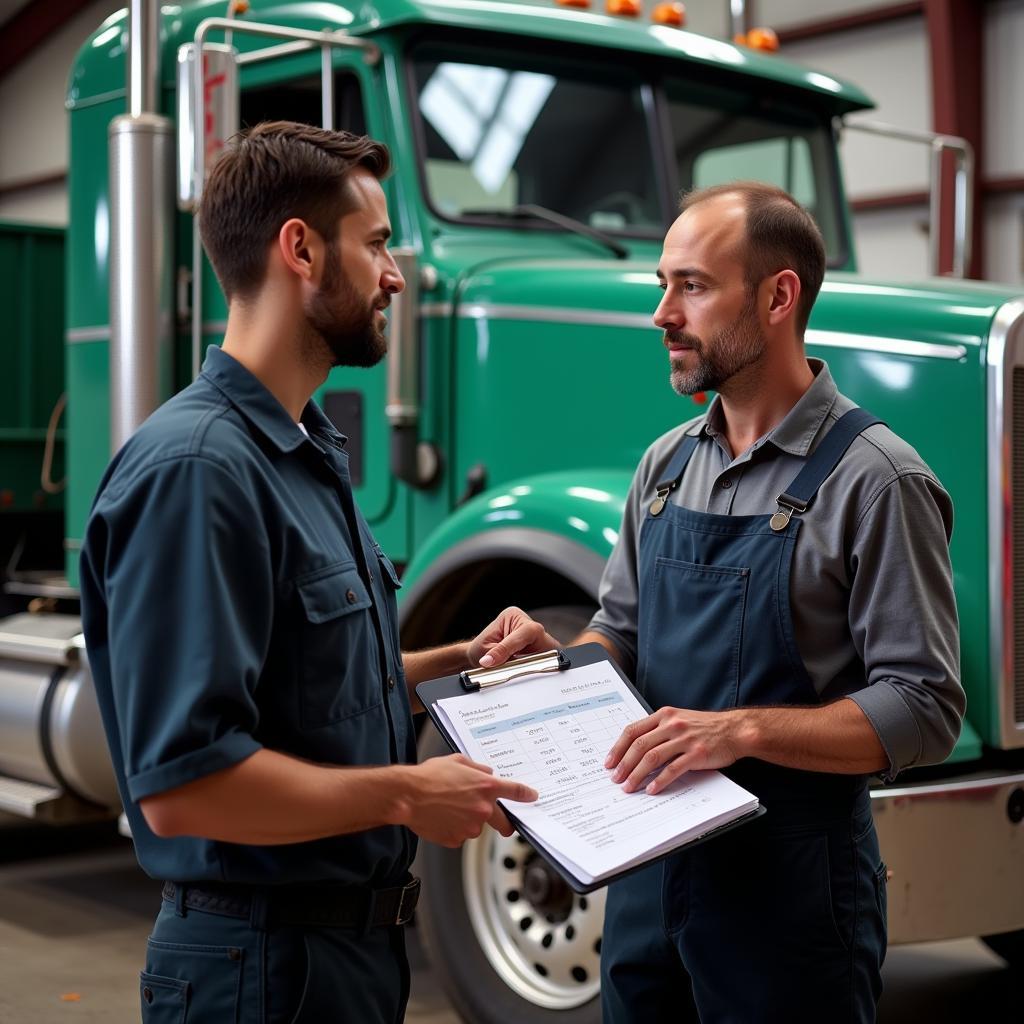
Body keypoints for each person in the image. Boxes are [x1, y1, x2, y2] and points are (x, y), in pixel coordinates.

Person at [79, 121, 555, 1024]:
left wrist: (467, 668)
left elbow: (311, 687)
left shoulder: (303, 451)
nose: (396, 277)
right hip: (255, 971)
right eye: (376, 244)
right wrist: (412, 794)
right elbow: (184, 789)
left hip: (336, 962)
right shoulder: (199, 471)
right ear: (299, 248)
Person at [575, 182, 965, 1023]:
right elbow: (622, 633)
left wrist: (739, 730)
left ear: (778, 296)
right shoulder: (665, 465)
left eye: (692, 286)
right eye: (662, 284)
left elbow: (924, 706)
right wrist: (555, 670)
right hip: (648, 878)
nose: (662, 315)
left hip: (791, 903)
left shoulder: (877, 480)